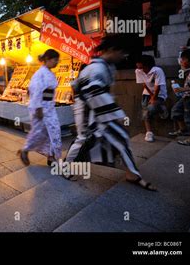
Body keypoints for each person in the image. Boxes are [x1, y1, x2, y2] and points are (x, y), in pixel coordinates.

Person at [64, 36, 156, 191]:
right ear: (112, 50)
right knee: (84, 138)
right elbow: (91, 91)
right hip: (87, 108)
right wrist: (115, 114)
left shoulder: (106, 66)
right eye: (122, 52)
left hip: (99, 107)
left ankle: (131, 173)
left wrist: (112, 113)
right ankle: (66, 167)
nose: (124, 56)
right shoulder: (96, 69)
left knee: (120, 136)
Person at [18, 49, 62, 166]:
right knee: (38, 132)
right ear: (47, 59)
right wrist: (38, 108)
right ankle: (25, 150)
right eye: (55, 60)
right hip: (40, 107)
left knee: (53, 131)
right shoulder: (39, 74)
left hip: (50, 107)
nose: (56, 62)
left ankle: (51, 156)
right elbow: (36, 91)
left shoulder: (50, 73)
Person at [135, 55, 169, 142]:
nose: (140, 70)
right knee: (145, 111)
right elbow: (144, 84)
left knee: (152, 108)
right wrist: (151, 95)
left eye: (142, 67)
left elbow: (158, 86)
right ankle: (149, 132)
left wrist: (154, 99)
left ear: (148, 65)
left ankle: (161, 108)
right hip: (147, 93)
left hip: (160, 93)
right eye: (138, 67)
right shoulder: (138, 70)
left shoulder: (157, 71)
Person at [174, 49, 190, 147]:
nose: (181, 62)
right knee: (189, 118)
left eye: (184, 59)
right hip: (188, 98)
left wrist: (183, 89)